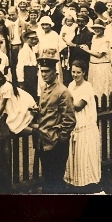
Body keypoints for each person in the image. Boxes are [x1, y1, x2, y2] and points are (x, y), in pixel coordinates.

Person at [0, 67, 36, 193]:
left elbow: (3, 104)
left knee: (15, 123)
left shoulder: (7, 86)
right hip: (4, 105)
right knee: (1, 122)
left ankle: (34, 130)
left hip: (13, 104)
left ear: (1, 77)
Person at [34, 56, 76, 194]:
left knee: (56, 180)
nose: (44, 74)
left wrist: (61, 139)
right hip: (44, 140)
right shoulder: (44, 89)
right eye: (42, 71)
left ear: (55, 72)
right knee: (48, 178)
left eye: (47, 71)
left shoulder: (63, 92)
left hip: (55, 143)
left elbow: (69, 120)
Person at [63, 60, 102, 191]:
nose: (75, 75)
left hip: (86, 128)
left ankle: (88, 186)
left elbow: (78, 106)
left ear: (84, 72)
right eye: (73, 72)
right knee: (76, 159)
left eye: (78, 72)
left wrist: (62, 103)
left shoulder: (88, 87)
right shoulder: (70, 85)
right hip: (74, 127)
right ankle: (76, 184)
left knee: (85, 159)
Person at [78, 22, 112, 99]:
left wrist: (87, 50)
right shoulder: (94, 37)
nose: (97, 30)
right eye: (95, 28)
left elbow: (99, 55)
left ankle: (104, 105)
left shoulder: (105, 40)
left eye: (99, 28)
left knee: (102, 87)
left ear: (103, 29)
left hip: (102, 66)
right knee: (94, 86)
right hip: (93, 65)